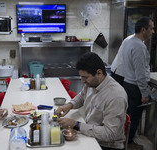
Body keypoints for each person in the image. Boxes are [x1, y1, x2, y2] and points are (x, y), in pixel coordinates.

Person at [56, 52, 128, 150]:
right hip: (91, 133)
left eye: (85, 77)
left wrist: (76, 125)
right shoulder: (92, 83)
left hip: (106, 145)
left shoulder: (115, 96)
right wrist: (68, 105)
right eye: (81, 76)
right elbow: (81, 96)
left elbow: (110, 134)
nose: (82, 80)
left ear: (99, 73)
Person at [122, 17, 154, 150]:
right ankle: (129, 143)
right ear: (143, 29)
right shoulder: (139, 46)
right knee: (134, 117)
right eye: (151, 28)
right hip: (135, 87)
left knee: (128, 116)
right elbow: (140, 74)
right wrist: (144, 93)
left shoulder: (129, 41)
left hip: (127, 84)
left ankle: (126, 141)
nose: (153, 31)